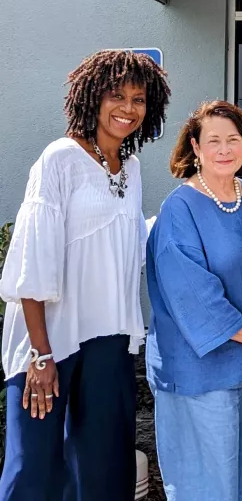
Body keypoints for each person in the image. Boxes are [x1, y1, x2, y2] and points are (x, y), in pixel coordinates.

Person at [0, 50, 170, 501]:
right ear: (93, 96)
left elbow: (128, 243)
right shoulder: (59, 159)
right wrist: (40, 355)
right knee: (33, 473)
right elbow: (31, 258)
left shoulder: (130, 169)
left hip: (109, 337)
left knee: (104, 472)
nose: (128, 108)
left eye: (139, 99)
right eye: (117, 95)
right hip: (50, 339)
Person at [146, 100, 242, 501]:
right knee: (206, 488)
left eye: (233, 140)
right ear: (195, 149)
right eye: (214, 141)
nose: (224, 149)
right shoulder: (179, 208)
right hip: (199, 374)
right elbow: (194, 297)